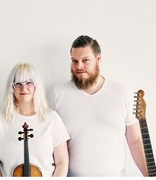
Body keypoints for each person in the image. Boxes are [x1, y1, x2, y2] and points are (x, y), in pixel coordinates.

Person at [49, 35, 148, 176]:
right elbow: (51, 146)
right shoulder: (58, 94)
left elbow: (136, 141)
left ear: (98, 59)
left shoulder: (121, 91)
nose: (79, 66)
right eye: (74, 61)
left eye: (85, 60)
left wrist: (150, 176)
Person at [0, 62, 70, 177]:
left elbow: (62, 163)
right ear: (12, 87)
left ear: (36, 85)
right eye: (18, 84)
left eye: (29, 83)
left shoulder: (52, 118)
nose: (24, 88)